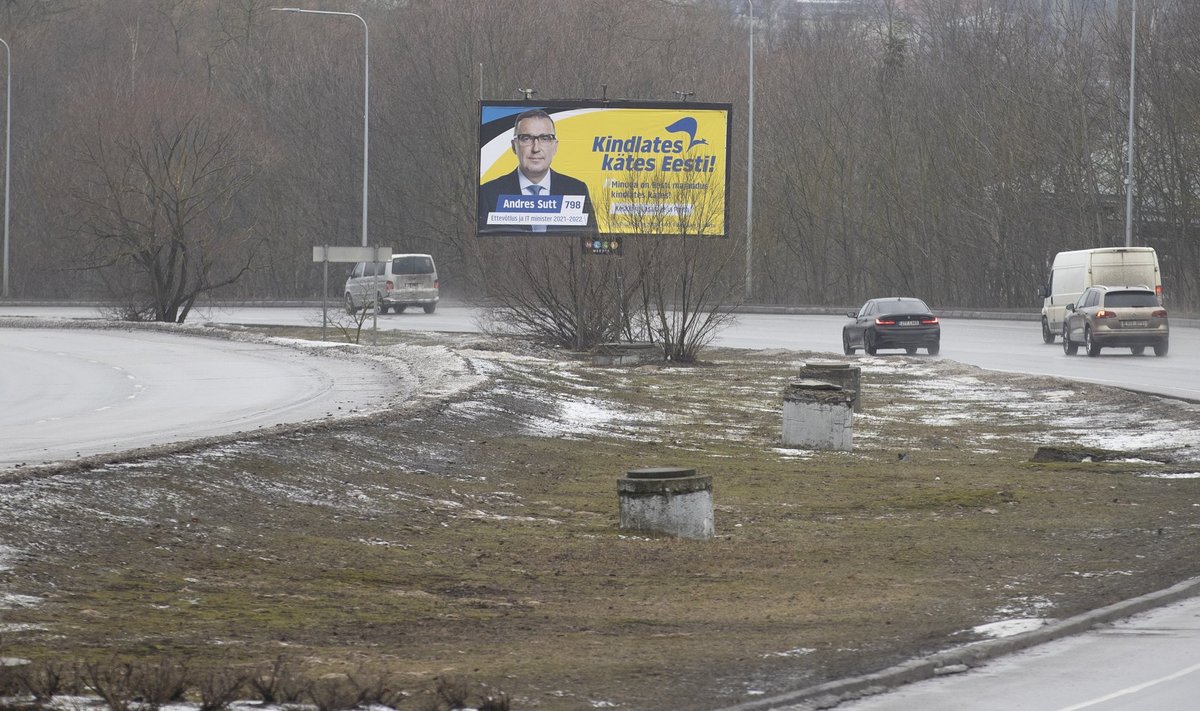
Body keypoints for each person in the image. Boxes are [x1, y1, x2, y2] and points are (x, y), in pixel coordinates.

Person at [478, 109, 597, 233]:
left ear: (555, 146)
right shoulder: (488, 193)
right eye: (526, 138)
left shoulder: (577, 190)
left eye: (545, 138)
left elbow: (590, 241)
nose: (536, 148)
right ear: (514, 146)